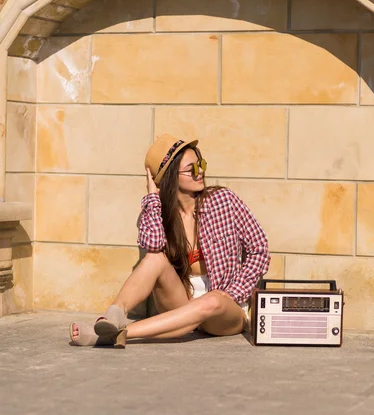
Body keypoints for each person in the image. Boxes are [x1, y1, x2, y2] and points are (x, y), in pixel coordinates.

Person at [69, 134, 270, 348]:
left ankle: (112, 334)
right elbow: (153, 246)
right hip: (182, 302)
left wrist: (234, 292)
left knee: (211, 300)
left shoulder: (223, 200)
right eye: (191, 168)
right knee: (154, 259)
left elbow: (260, 249)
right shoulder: (161, 213)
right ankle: (113, 315)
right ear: (170, 176)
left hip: (225, 308)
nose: (199, 171)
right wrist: (152, 198)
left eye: (201, 164)